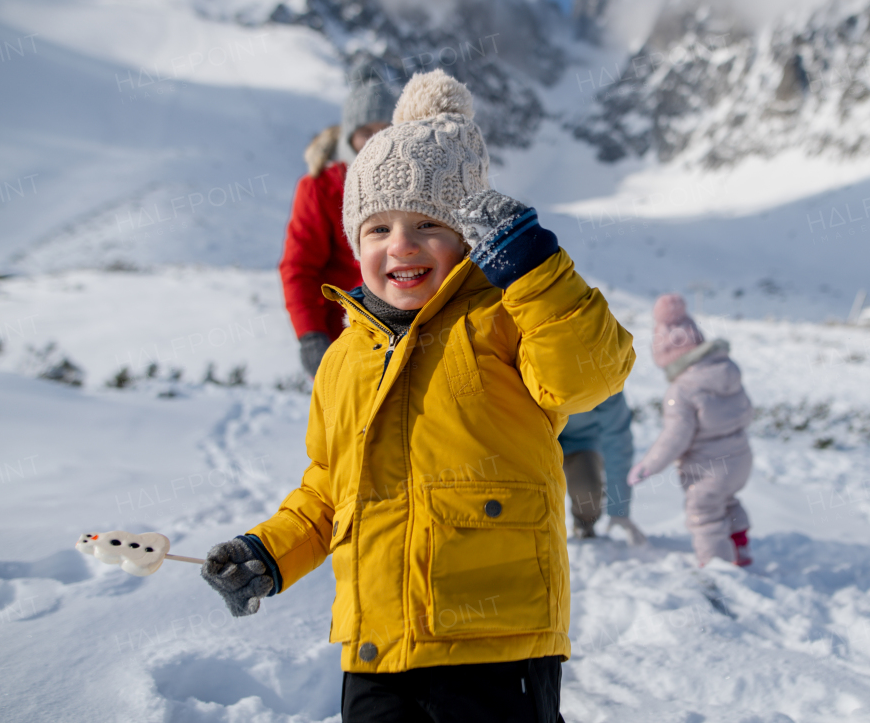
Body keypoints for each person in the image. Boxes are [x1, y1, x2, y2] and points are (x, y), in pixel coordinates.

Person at [201, 69, 635, 723]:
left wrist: (535, 271)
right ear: (355, 242)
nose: (400, 243)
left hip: (496, 644)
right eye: (377, 228)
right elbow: (328, 488)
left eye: (428, 222)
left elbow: (591, 371)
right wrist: (269, 552)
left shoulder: (503, 315)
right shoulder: (345, 357)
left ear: (466, 236)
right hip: (376, 648)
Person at [280, 57, 396, 376]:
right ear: (349, 137)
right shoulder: (321, 188)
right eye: (365, 131)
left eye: (385, 130)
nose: (375, 140)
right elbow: (299, 267)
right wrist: (310, 336)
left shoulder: (409, 186)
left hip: (408, 337)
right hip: (345, 340)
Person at [627, 294, 753, 567]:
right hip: (741, 459)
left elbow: (675, 437)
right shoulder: (727, 369)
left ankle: (718, 568)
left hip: (709, 469)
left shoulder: (681, 390)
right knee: (728, 501)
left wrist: (648, 466)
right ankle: (740, 547)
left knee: (704, 513)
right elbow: (747, 410)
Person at [559, 392, 646, 545]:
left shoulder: (605, 382)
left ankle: (584, 528)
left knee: (586, 491)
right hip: (538, 437)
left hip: (581, 441)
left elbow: (617, 444)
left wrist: (619, 510)